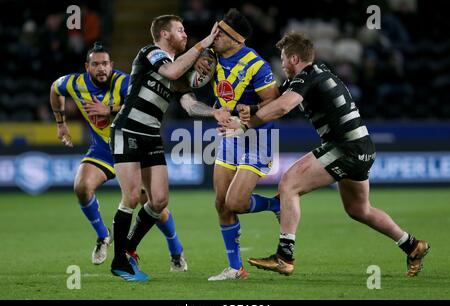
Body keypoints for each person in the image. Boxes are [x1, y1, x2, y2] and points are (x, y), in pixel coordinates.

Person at [221, 32, 430, 277]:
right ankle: (412, 245)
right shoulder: (312, 75)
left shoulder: (308, 76)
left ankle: (284, 257)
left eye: (284, 59)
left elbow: (283, 106)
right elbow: (275, 99)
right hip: (361, 146)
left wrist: (245, 124)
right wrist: (248, 110)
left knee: (289, 184)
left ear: (295, 58)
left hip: (346, 147)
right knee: (359, 209)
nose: (282, 64)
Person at [49, 43, 188, 270]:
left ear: (111, 65)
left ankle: (176, 249)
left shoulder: (124, 82)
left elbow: (141, 102)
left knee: (154, 205)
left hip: (131, 146)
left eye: (105, 64)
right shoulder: (75, 83)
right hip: (104, 149)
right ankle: (103, 236)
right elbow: (55, 89)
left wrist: (110, 109)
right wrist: (60, 123)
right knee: (82, 187)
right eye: (96, 64)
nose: (101, 69)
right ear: (87, 67)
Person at [109, 15, 226, 282]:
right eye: (180, 30)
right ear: (164, 34)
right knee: (130, 196)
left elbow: (189, 104)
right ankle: (119, 261)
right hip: (128, 129)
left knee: (159, 200)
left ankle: (128, 246)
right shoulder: (150, 52)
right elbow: (171, 73)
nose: (185, 34)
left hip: (151, 134)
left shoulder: (178, 68)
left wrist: (214, 113)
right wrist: (205, 42)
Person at [205, 8, 281, 281]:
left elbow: (275, 101)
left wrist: (252, 109)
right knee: (221, 203)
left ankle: (276, 205)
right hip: (229, 135)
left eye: (221, 32)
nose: (215, 35)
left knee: (235, 202)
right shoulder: (211, 56)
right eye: (215, 29)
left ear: (236, 39)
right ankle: (236, 269)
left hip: (258, 137)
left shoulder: (256, 65)